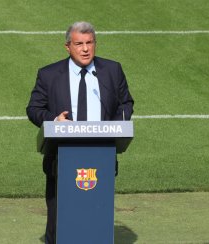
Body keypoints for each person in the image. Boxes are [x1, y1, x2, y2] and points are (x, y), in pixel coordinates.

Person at [26, 21, 134, 244]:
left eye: (89, 43)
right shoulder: (49, 74)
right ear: (68, 47)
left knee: (96, 214)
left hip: (101, 158)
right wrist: (54, 121)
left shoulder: (112, 71)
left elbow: (126, 103)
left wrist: (113, 126)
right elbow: (34, 108)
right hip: (60, 160)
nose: (85, 49)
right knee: (59, 223)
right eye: (79, 44)